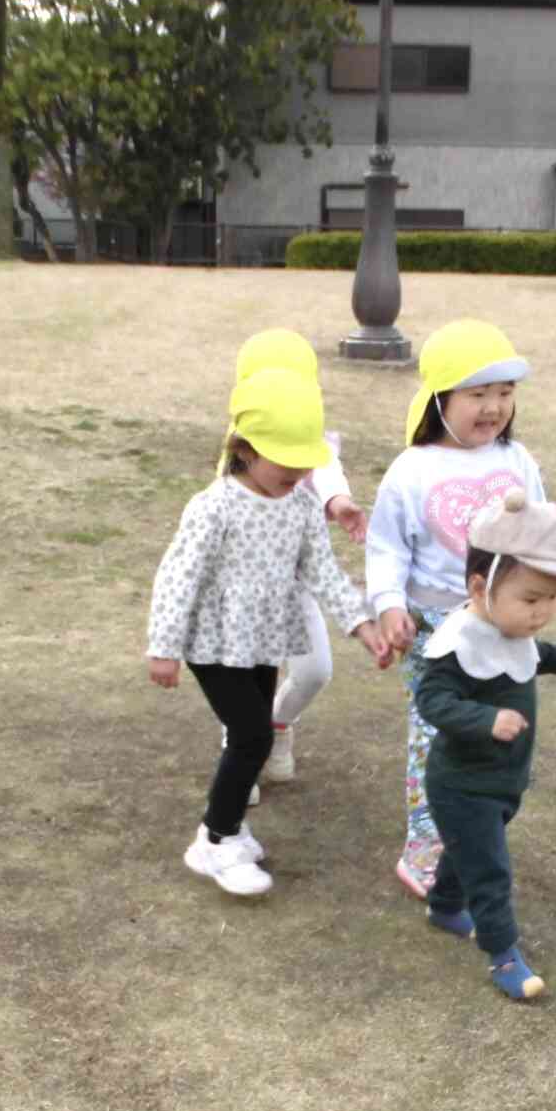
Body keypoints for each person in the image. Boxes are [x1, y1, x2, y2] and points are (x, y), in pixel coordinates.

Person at [365, 319, 556, 900]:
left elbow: (546, 534)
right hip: (435, 628)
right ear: (441, 397)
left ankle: (474, 826)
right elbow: (386, 549)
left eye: (505, 392)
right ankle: (425, 843)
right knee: (435, 732)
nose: (494, 407)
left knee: (496, 731)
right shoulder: (411, 470)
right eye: (478, 394)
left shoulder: (517, 461)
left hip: (505, 625)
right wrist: (390, 605)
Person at [148, 368, 391, 897]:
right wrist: (163, 647)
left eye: (307, 456)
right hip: (213, 645)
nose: (299, 468)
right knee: (255, 734)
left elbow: (322, 570)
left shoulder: (303, 504)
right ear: (245, 446)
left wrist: (362, 624)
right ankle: (215, 840)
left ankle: (228, 828)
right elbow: (178, 575)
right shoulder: (214, 505)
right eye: (285, 455)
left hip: (261, 641)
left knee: (249, 736)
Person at [416, 488, 556, 1001]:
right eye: (531, 600)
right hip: (462, 783)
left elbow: (527, 652)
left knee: (469, 851)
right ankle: (504, 957)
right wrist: (485, 719)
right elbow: (433, 702)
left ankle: (445, 904)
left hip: (504, 778)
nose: (541, 613)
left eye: (550, 600)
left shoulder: (509, 627)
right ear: (479, 587)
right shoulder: (457, 640)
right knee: (491, 869)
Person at [218, 330, 369, 803]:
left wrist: (338, 500)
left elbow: (325, 470)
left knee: (315, 671)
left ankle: (278, 724)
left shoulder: (312, 443)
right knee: (244, 680)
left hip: (297, 585)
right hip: (242, 595)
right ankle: (239, 751)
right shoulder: (242, 452)